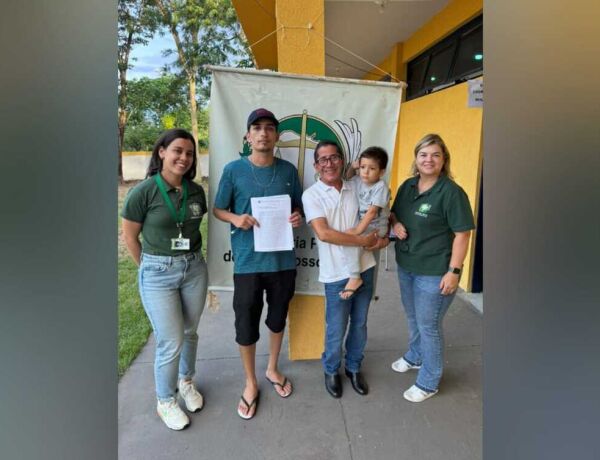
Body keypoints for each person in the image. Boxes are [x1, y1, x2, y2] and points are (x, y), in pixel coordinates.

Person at [213, 108, 304, 420]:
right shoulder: (233, 170)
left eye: (269, 128)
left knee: (278, 318)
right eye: (257, 128)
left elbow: (298, 209)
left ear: (277, 136)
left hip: (282, 262)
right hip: (248, 264)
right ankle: (250, 381)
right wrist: (236, 217)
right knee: (246, 323)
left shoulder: (289, 172)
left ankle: (272, 368)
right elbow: (218, 209)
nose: (263, 133)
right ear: (247, 136)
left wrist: (297, 217)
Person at [121, 129, 208, 430]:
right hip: (158, 273)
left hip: (194, 268)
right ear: (162, 152)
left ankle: (186, 382)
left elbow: (192, 228)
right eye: (178, 151)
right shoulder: (143, 192)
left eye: (189, 153)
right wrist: (149, 267)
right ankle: (165, 400)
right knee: (171, 339)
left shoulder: (196, 192)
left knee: (191, 331)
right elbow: (130, 237)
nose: (184, 158)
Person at [390, 133, 475, 403]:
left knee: (429, 325)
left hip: (435, 271)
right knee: (413, 317)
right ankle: (415, 356)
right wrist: (394, 224)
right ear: (416, 159)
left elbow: (462, 234)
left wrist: (454, 271)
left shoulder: (451, 193)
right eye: (424, 154)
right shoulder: (407, 186)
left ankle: (428, 381)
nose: (429, 160)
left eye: (435, 155)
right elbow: (394, 213)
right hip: (407, 264)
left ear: (444, 160)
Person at [302, 140, 389, 399]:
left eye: (334, 158)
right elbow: (325, 234)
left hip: (366, 267)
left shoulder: (357, 186)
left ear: (343, 160)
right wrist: (362, 240)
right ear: (315, 165)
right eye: (323, 160)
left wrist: (385, 237)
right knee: (336, 327)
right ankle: (331, 369)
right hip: (335, 273)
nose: (329, 163)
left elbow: (381, 212)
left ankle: (353, 367)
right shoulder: (311, 195)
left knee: (360, 324)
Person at [340, 146, 391, 299]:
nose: (365, 172)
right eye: (363, 167)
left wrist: (357, 232)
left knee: (351, 240)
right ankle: (355, 274)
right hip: (365, 224)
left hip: (376, 227)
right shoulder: (359, 180)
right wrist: (353, 167)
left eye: (371, 168)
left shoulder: (380, 187)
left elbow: (372, 212)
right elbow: (348, 177)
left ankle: (355, 276)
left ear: (381, 172)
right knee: (351, 241)